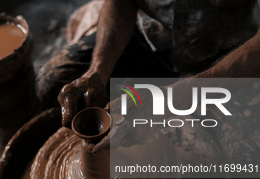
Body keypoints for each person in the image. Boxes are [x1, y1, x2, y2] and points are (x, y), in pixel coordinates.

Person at [35, 0, 260, 163]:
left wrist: (183, 95)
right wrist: (97, 71)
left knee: (249, 161)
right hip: (154, 37)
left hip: (228, 56)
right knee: (52, 83)